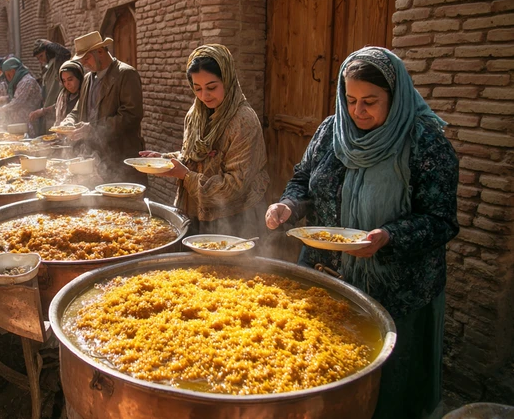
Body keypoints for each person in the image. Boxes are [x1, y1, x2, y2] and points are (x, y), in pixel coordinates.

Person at [264, 47, 459, 419]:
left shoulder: (426, 144)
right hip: (326, 276)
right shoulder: (330, 131)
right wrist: (288, 205)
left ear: (396, 96)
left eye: (370, 101)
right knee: (320, 369)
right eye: (350, 100)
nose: (358, 111)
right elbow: (303, 179)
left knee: (386, 388)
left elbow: (440, 221)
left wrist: (389, 236)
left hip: (395, 289)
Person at [140, 44, 269, 239]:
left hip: (233, 220)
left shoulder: (243, 121)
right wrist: (164, 160)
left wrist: (186, 176)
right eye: (197, 88)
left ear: (228, 79)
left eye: (211, 87)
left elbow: (234, 186)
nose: (204, 96)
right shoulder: (196, 114)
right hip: (194, 213)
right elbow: (192, 157)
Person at [58, 31, 145, 183]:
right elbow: (78, 109)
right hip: (95, 158)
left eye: (86, 58)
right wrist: (68, 122)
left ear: (100, 51)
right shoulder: (87, 78)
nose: (84, 64)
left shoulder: (125, 74)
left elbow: (131, 116)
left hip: (120, 156)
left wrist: (93, 128)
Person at [29, 60, 85, 130]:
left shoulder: (86, 95)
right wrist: (42, 111)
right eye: (64, 81)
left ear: (79, 77)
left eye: (70, 79)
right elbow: (57, 107)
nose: (67, 84)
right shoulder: (64, 95)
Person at [0, 57, 42, 135]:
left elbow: (16, 103)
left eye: (8, 75)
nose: (7, 78)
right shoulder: (20, 81)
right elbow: (19, 96)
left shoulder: (27, 82)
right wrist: (5, 98)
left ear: (13, 71)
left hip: (28, 126)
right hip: (20, 125)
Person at [32, 39, 71, 110]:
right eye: (38, 58)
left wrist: (49, 45)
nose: (41, 61)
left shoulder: (57, 64)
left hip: (57, 107)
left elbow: (65, 53)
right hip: (48, 109)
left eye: (41, 56)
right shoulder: (47, 67)